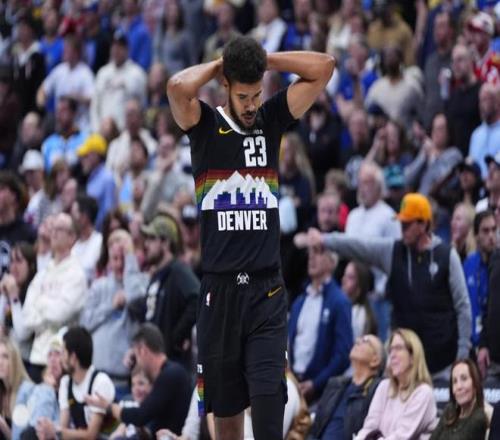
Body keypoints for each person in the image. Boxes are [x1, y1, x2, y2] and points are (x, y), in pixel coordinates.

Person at [167, 35, 334, 439]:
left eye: (256, 94)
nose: (251, 104)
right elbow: (176, 87)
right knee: (226, 427)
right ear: (225, 86)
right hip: (219, 294)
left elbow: (324, 67)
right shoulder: (204, 125)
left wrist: (263, 60)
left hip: (266, 293)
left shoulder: (269, 119)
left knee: (268, 416)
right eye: (243, 96)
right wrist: (220, 63)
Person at [295, 193, 472, 377]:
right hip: (404, 364)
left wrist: (462, 353)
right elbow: (359, 245)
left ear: (423, 225)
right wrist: (325, 240)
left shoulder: (446, 256)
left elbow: (463, 306)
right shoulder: (393, 251)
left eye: (407, 224)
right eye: (401, 223)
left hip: (443, 362)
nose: (402, 229)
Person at [86, 323, 191, 435]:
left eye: (136, 355)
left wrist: (108, 406)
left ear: (142, 350)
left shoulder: (171, 374)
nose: (137, 363)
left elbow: (140, 416)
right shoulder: (170, 373)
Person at [80, 229, 148, 395]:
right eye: (114, 259)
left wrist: (130, 259)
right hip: (96, 376)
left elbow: (135, 297)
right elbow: (85, 324)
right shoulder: (99, 286)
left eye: (123, 259)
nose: (118, 265)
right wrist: (111, 306)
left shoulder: (140, 283)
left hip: (124, 379)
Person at [21, 213, 87, 381]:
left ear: (72, 237)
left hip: (60, 361)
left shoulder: (76, 274)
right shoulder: (43, 272)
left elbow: (60, 314)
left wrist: (40, 303)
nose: (54, 233)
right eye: (53, 229)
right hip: (36, 356)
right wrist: (48, 308)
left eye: (60, 229)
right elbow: (27, 317)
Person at [288, 244, 352, 403]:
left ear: (332, 262)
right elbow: (288, 343)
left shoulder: (340, 301)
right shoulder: (300, 301)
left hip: (321, 394)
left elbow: (343, 355)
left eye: (318, 252)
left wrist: (316, 384)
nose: (311, 257)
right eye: (310, 251)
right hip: (293, 384)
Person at [354, 329, 437, 439]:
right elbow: (369, 427)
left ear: (413, 357)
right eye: (390, 350)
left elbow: (401, 436)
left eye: (398, 348)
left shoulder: (423, 392)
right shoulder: (384, 386)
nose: (392, 355)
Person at [36, 326, 115, 440]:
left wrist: (55, 431)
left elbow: (91, 435)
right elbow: (63, 427)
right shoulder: (66, 382)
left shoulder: (101, 382)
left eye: (63, 353)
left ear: (73, 358)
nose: (60, 359)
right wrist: (50, 430)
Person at [308, 334, 384, 440]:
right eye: (359, 338)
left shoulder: (378, 389)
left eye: (365, 341)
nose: (357, 341)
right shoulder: (335, 384)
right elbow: (315, 428)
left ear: (375, 360)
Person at [430, 358, 488, 439]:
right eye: (455, 381)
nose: (459, 386)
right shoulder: (449, 410)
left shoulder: (478, 418)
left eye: (464, 379)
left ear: (475, 383)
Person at [463, 210, 497, 350]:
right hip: (471, 342)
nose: (491, 236)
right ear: (476, 235)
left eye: (494, 230)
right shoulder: (468, 265)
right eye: (485, 231)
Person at [341, 261, 377, 340]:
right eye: (344, 275)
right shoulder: (344, 307)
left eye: (350, 277)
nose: (344, 280)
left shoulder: (359, 314)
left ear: (360, 285)